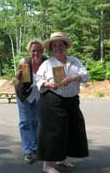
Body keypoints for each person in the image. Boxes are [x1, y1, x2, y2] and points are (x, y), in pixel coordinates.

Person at [36, 32, 89, 173]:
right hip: (52, 100)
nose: (58, 48)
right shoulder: (47, 63)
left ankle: (62, 158)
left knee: (71, 129)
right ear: (51, 48)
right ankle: (47, 165)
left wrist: (72, 78)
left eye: (60, 45)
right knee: (52, 132)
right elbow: (38, 80)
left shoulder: (74, 61)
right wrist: (48, 84)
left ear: (65, 46)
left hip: (72, 101)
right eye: (54, 46)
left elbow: (85, 75)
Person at [15, 40, 47, 164]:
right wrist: (17, 77)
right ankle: (27, 151)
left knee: (36, 121)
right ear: (29, 51)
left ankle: (35, 147)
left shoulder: (46, 62)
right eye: (33, 50)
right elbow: (18, 83)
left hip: (38, 94)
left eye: (39, 50)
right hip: (23, 94)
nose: (36, 53)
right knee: (25, 122)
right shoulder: (24, 62)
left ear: (42, 51)